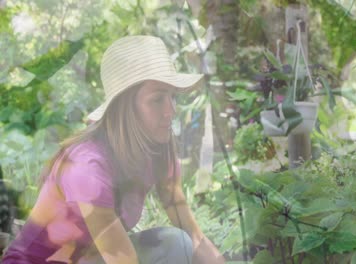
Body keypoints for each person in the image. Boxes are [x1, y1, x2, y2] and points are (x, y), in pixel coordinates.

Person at [2, 35, 225, 264]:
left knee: (174, 243)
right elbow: (123, 260)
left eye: (172, 97)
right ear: (124, 109)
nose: (171, 110)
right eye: (157, 100)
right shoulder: (87, 166)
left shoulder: (157, 153)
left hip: (88, 259)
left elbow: (195, 236)